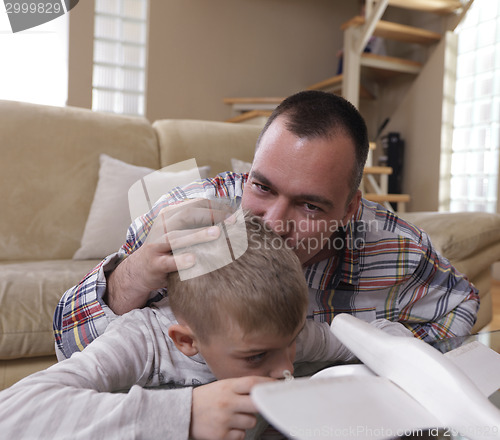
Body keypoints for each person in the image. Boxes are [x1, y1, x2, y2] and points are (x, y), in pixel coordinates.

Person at [53, 90, 478, 429]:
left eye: (309, 205)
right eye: (262, 187)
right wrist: (136, 272)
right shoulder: (184, 219)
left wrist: (379, 377)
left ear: (350, 211)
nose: (274, 223)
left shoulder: (396, 248)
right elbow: (69, 349)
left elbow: (462, 304)